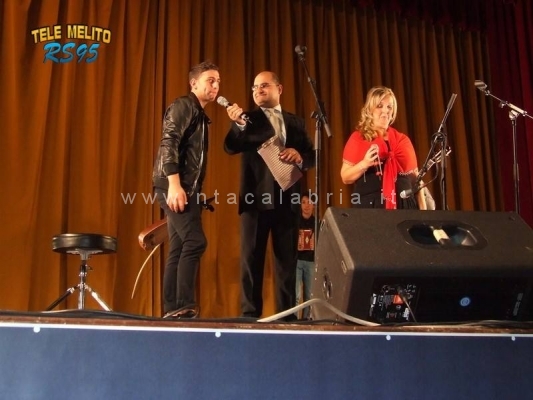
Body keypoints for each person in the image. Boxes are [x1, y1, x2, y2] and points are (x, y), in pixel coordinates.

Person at [223, 71, 315, 320]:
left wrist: (300, 156)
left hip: (288, 199)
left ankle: (287, 318)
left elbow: (312, 156)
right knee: (251, 262)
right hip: (255, 199)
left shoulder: (296, 122)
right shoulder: (247, 118)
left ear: (279, 89)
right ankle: (250, 317)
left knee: (287, 264)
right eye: (254, 87)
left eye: (264, 86)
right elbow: (230, 146)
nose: (258, 91)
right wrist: (238, 124)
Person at [152, 61, 220, 318]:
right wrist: (174, 184)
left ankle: (172, 310)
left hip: (185, 188)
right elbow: (169, 141)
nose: (216, 85)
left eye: (218, 81)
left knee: (179, 246)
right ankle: (183, 306)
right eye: (210, 80)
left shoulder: (200, 114)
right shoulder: (184, 105)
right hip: (173, 185)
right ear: (194, 83)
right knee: (195, 241)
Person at [341, 86, 426, 210]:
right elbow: (345, 177)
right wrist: (365, 163)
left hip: (406, 207)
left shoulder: (403, 140)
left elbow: (416, 180)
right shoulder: (359, 138)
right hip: (372, 207)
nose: (385, 111)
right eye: (379, 106)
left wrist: (424, 212)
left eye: (389, 107)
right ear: (370, 110)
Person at [295, 194, 315, 320]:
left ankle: (307, 321)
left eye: (309, 202)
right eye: (303, 202)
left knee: (309, 295)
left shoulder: (317, 222)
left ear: (314, 205)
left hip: (311, 261)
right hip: (297, 261)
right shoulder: (295, 222)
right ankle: (295, 320)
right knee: (297, 295)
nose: (307, 205)